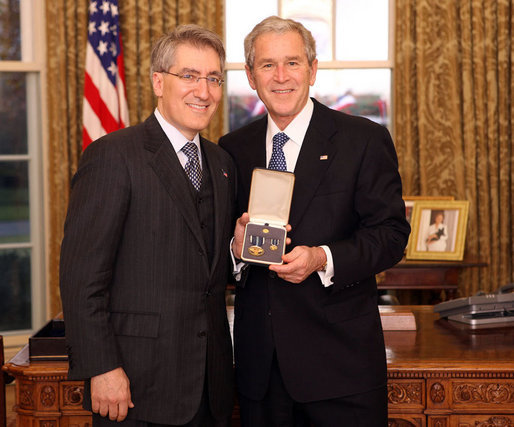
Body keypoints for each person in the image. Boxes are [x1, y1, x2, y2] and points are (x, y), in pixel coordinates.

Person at [219, 16, 410, 426]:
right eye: (268, 65)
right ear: (251, 76)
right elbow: (211, 249)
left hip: (342, 371)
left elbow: (392, 235)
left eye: (292, 62)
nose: (281, 76)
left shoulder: (362, 139)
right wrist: (234, 250)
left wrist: (322, 258)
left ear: (313, 69)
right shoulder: (231, 150)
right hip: (260, 376)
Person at [60, 25, 235, 427]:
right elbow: (81, 278)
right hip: (135, 386)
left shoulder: (222, 164)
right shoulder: (112, 156)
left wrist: (235, 250)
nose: (203, 91)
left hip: (211, 389)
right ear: (159, 81)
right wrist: (102, 368)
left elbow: (206, 268)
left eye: (213, 79)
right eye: (189, 76)